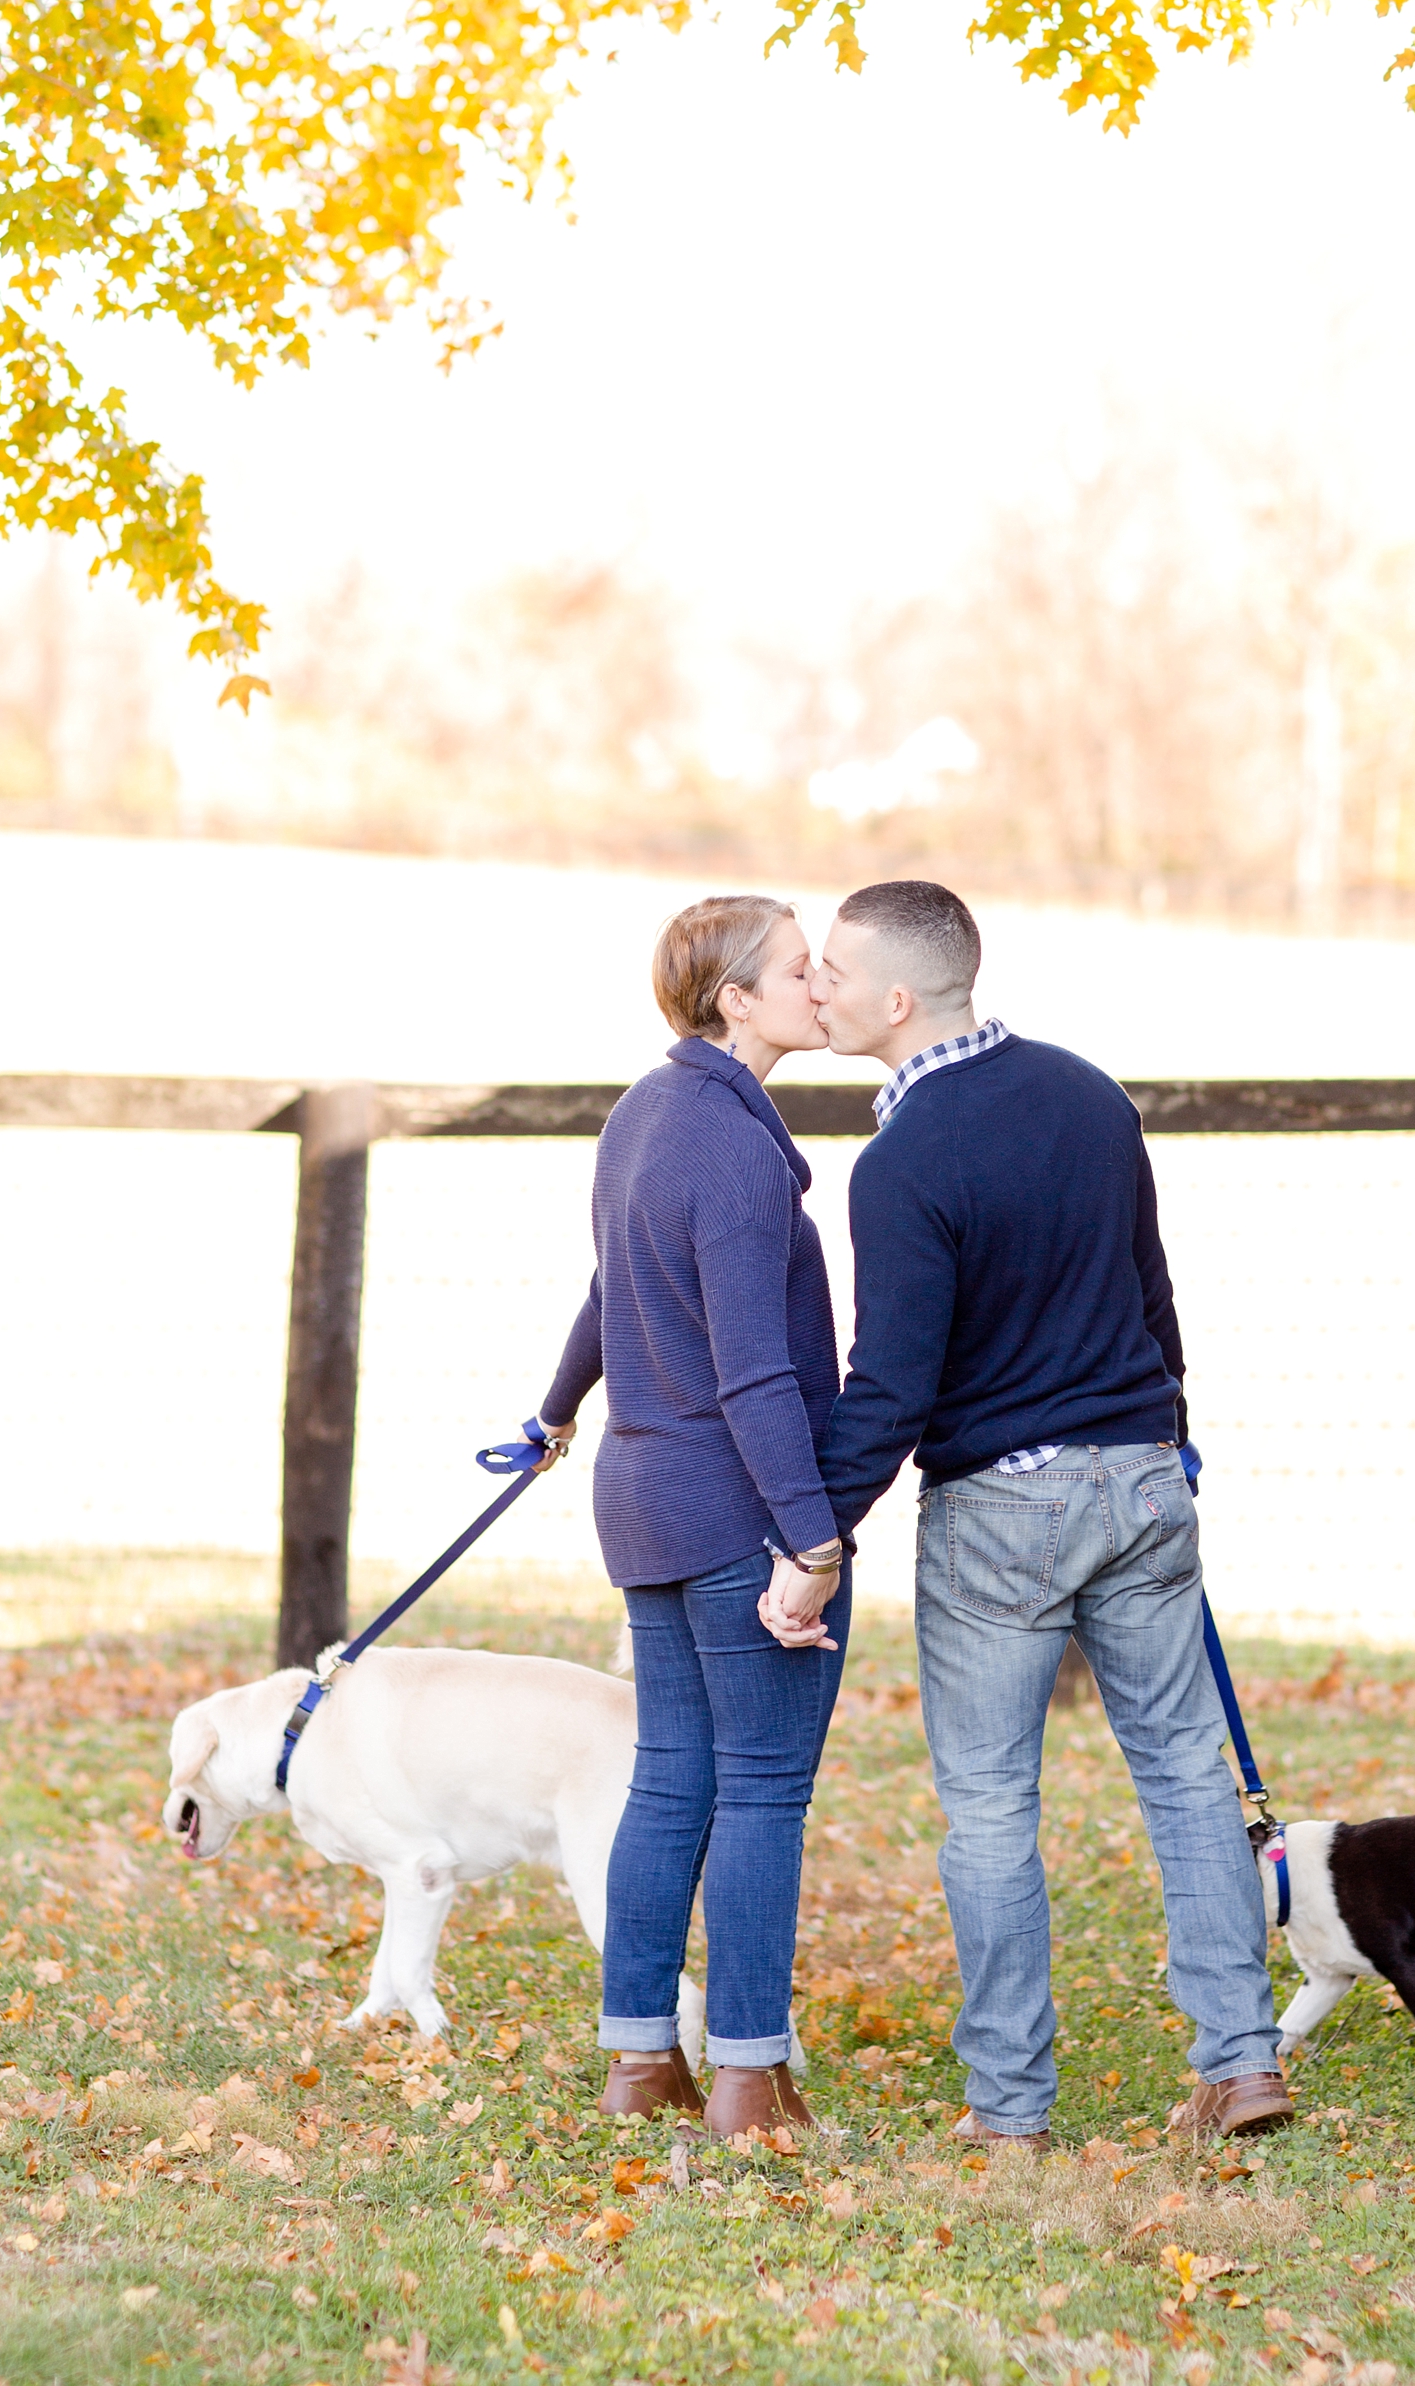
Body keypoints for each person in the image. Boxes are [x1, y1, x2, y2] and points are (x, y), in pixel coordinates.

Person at [760, 877, 1289, 2150]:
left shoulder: (901, 1163)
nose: (815, 986)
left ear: (896, 999)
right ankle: (1242, 2062)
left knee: (992, 1804)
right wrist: (1165, 1433)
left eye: (830, 968)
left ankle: (1008, 2108)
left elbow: (889, 1385)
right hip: (1141, 1474)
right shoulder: (1089, 1093)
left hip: (1005, 1506)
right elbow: (1152, 1295)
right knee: (1181, 1772)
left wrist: (811, 1540)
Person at [539, 893, 849, 2137]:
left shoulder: (647, 1110)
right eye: (797, 968)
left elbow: (614, 1281)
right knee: (760, 1793)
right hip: (729, 1502)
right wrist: (809, 1540)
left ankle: (637, 2064)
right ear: (737, 1001)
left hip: (640, 1489)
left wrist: (558, 1407)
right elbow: (752, 1369)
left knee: (671, 1780)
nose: (820, 982)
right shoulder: (724, 1144)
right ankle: (748, 2079)